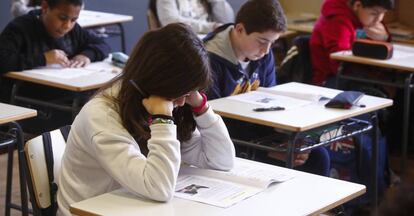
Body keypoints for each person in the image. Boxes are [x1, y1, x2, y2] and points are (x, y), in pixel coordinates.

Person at [57, 23, 236, 215]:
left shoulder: (160, 101)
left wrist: (201, 108)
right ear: (158, 80)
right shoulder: (102, 117)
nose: (183, 102)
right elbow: (159, 188)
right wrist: (162, 121)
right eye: (180, 92)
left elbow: (221, 161)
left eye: (189, 93)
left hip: (131, 206)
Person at [203, 0, 330, 176]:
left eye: (273, 42)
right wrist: (266, 150)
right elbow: (209, 122)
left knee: (316, 156)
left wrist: (286, 140)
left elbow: (269, 103)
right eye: (262, 41)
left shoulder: (262, 53)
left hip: (258, 130)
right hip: (228, 140)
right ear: (239, 30)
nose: (266, 50)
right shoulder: (209, 61)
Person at [0, 0, 110, 104]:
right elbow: (3, 60)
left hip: (64, 93)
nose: (67, 26)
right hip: (27, 98)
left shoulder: (74, 30)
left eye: (73, 20)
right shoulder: (20, 28)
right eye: (62, 18)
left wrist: (86, 55)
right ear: (45, 7)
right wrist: (43, 59)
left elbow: (102, 44)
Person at [310, 0, 394, 86]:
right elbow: (339, 62)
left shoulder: (364, 17)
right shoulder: (338, 21)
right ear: (357, 6)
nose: (378, 19)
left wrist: (385, 38)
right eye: (374, 13)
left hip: (354, 74)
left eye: (383, 13)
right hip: (331, 79)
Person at [153, 0, 234, 34]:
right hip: (184, 42)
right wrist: (210, 27)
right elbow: (170, 22)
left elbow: (227, 21)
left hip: (212, 40)